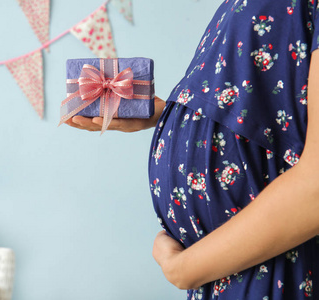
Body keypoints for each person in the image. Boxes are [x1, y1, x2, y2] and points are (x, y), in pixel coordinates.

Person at [64, 0, 319, 299]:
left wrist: (185, 270)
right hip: (225, 275)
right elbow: (258, 106)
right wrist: (170, 117)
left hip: (280, 273)